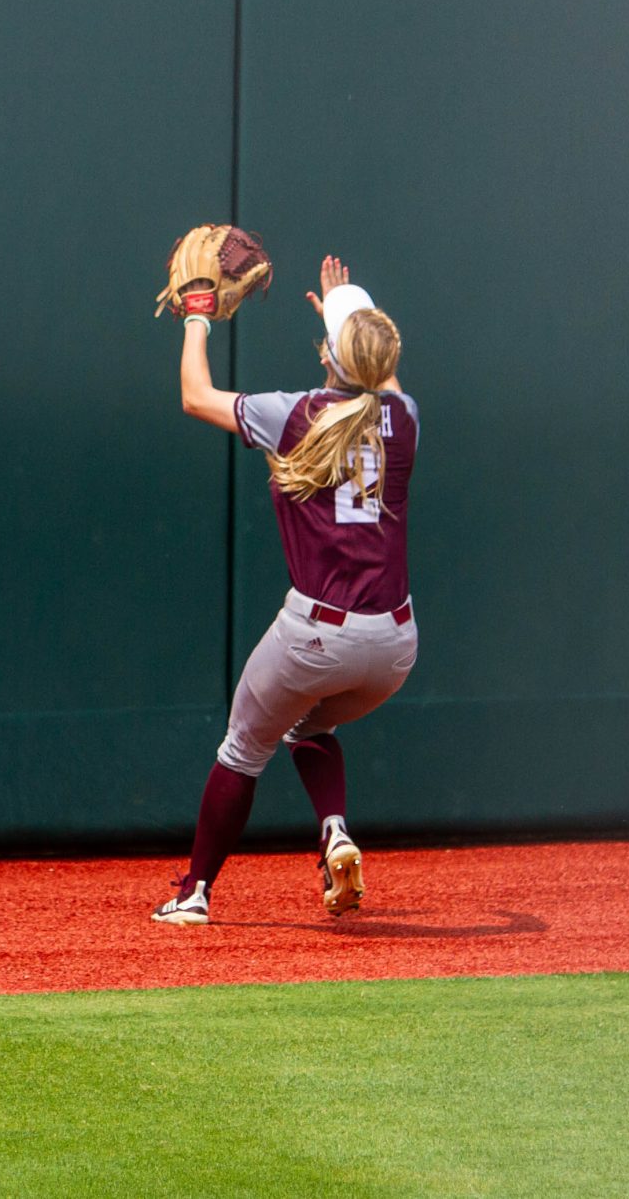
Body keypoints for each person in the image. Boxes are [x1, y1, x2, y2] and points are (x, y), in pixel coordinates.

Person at [154, 255, 421, 926]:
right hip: (393, 646)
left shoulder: (294, 414)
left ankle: (194, 892)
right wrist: (346, 307)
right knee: (312, 721)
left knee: (244, 746)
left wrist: (196, 317)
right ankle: (334, 830)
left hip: (320, 633)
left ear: (330, 354)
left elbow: (194, 395)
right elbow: (379, 369)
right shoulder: (406, 417)